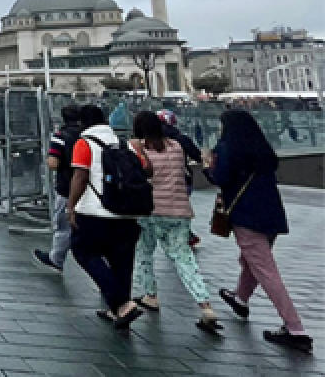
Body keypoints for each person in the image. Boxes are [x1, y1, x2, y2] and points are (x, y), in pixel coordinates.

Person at [204, 109, 313, 353]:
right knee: (251, 260)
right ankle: (240, 299)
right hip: (271, 215)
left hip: (246, 216)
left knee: (265, 270)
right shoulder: (262, 149)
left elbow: (220, 178)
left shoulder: (227, 148)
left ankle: (296, 329)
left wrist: (208, 167)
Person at [128, 111, 221, 333]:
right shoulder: (176, 146)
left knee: (144, 252)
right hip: (180, 211)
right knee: (184, 259)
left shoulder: (138, 148)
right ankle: (205, 305)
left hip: (150, 211)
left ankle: (150, 295)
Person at [68, 104, 150, 330]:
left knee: (84, 252)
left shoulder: (84, 143)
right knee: (122, 262)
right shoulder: (126, 144)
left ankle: (122, 303)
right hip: (127, 213)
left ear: (82, 123)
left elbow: (80, 176)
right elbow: (146, 170)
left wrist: (71, 206)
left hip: (95, 212)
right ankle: (119, 310)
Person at [34, 105, 82, 273]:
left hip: (66, 186)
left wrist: (49, 160)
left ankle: (56, 259)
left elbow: (54, 163)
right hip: (90, 187)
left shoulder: (61, 136)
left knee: (63, 225)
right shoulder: (86, 135)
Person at [157, 109, 204, 247]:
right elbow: (197, 155)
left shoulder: (149, 140)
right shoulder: (182, 139)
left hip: (159, 180)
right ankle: (184, 235)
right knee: (180, 209)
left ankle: (181, 236)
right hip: (182, 179)